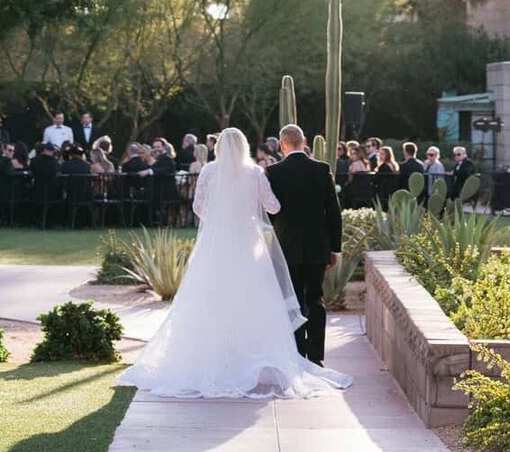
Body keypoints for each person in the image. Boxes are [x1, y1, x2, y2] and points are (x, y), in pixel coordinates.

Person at [122, 125, 352, 398]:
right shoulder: (255, 172)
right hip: (248, 245)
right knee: (253, 299)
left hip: (217, 246)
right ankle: (269, 356)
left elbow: (198, 208)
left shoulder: (209, 170)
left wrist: (219, 220)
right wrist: (251, 216)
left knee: (212, 299)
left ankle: (216, 358)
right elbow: (273, 207)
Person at [266, 125, 347, 370]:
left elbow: (269, 213)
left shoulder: (273, 172)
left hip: (286, 247)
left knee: (292, 299)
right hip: (316, 246)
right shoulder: (322, 170)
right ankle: (316, 355)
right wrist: (334, 248)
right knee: (315, 298)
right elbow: (333, 212)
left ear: (282, 144)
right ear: (305, 141)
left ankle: (298, 351)